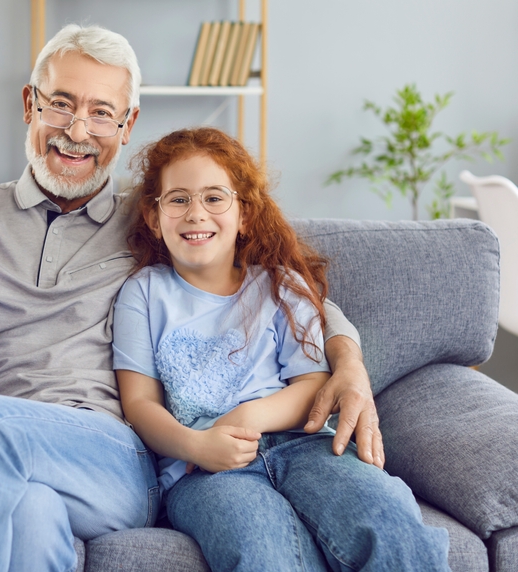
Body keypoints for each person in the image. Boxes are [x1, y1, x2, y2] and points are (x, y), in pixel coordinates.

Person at [0, 24, 384, 571]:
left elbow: (279, 284)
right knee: (29, 512)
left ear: (128, 124)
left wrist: (349, 362)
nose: (77, 131)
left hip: (107, 455)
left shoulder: (161, 216)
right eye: (60, 104)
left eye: (102, 113)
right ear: (28, 105)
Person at [113, 127, 449, 571]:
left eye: (215, 198)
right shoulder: (142, 293)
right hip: (205, 473)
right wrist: (197, 446)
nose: (196, 213)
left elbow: (313, 384)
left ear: (245, 214)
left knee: (388, 517)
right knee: (260, 548)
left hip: (304, 447)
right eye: (178, 199)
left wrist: (251, 416)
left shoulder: (279, 285)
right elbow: (138, 404)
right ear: (155, 218)